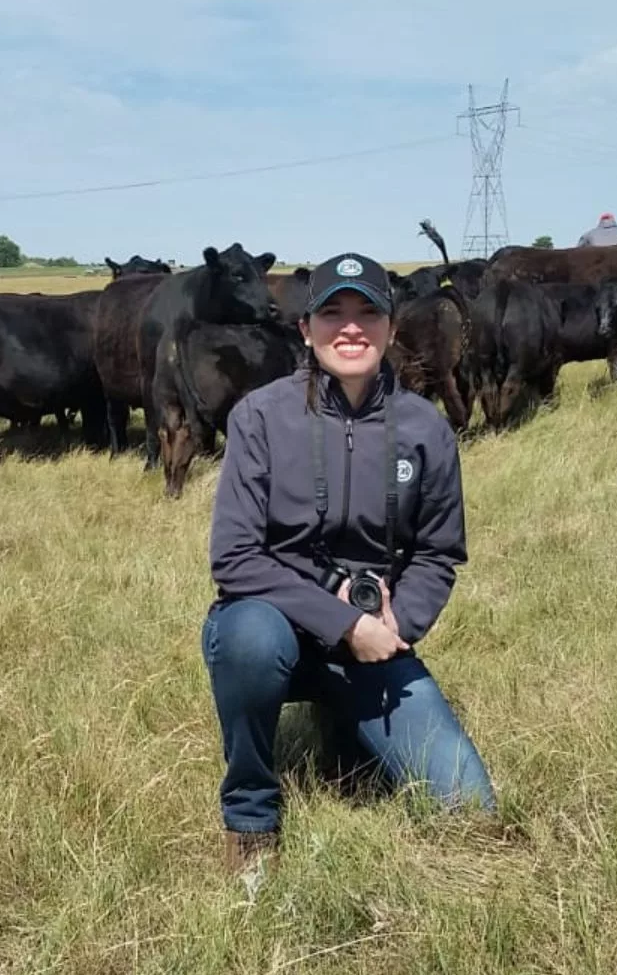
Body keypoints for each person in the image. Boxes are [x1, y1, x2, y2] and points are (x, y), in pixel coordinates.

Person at [202, 251, 496, 874]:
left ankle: (347, 726)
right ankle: (251, 815)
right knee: (249, 641)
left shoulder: (426, 430)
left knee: (469, 806)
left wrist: (395, 628)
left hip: (375, 640)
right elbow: (234, 557)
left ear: (391, 327)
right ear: (306, 329)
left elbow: (439, 553)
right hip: (277, 622)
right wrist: (340, 624)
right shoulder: (260, 417)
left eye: (368, 312)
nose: (351, 327)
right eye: (332, 312)